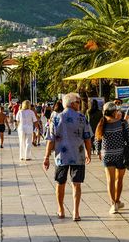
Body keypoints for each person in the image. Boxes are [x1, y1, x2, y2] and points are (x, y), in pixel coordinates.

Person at [43, 93, 92, 221]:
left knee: (60, 183)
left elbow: (50, 140)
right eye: (78, 101)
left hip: (61, 157)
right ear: (72, 103)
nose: (79, 104)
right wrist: (88, 152)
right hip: (78, 155)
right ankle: (76, 212)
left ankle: (61, 209)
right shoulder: (82, 118)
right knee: (76, 184)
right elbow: (87, 138)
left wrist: (46, 157)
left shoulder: (56, 118)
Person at [95, 102, 129, 214]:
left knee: (110, 180)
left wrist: (98, 151)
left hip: (107, 155)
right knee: (119, 179)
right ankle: (116, 201)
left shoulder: (102, 123)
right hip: (121, 155)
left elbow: (97, 139)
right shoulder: (122, 123)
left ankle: (114, 204)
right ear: (114, 112)